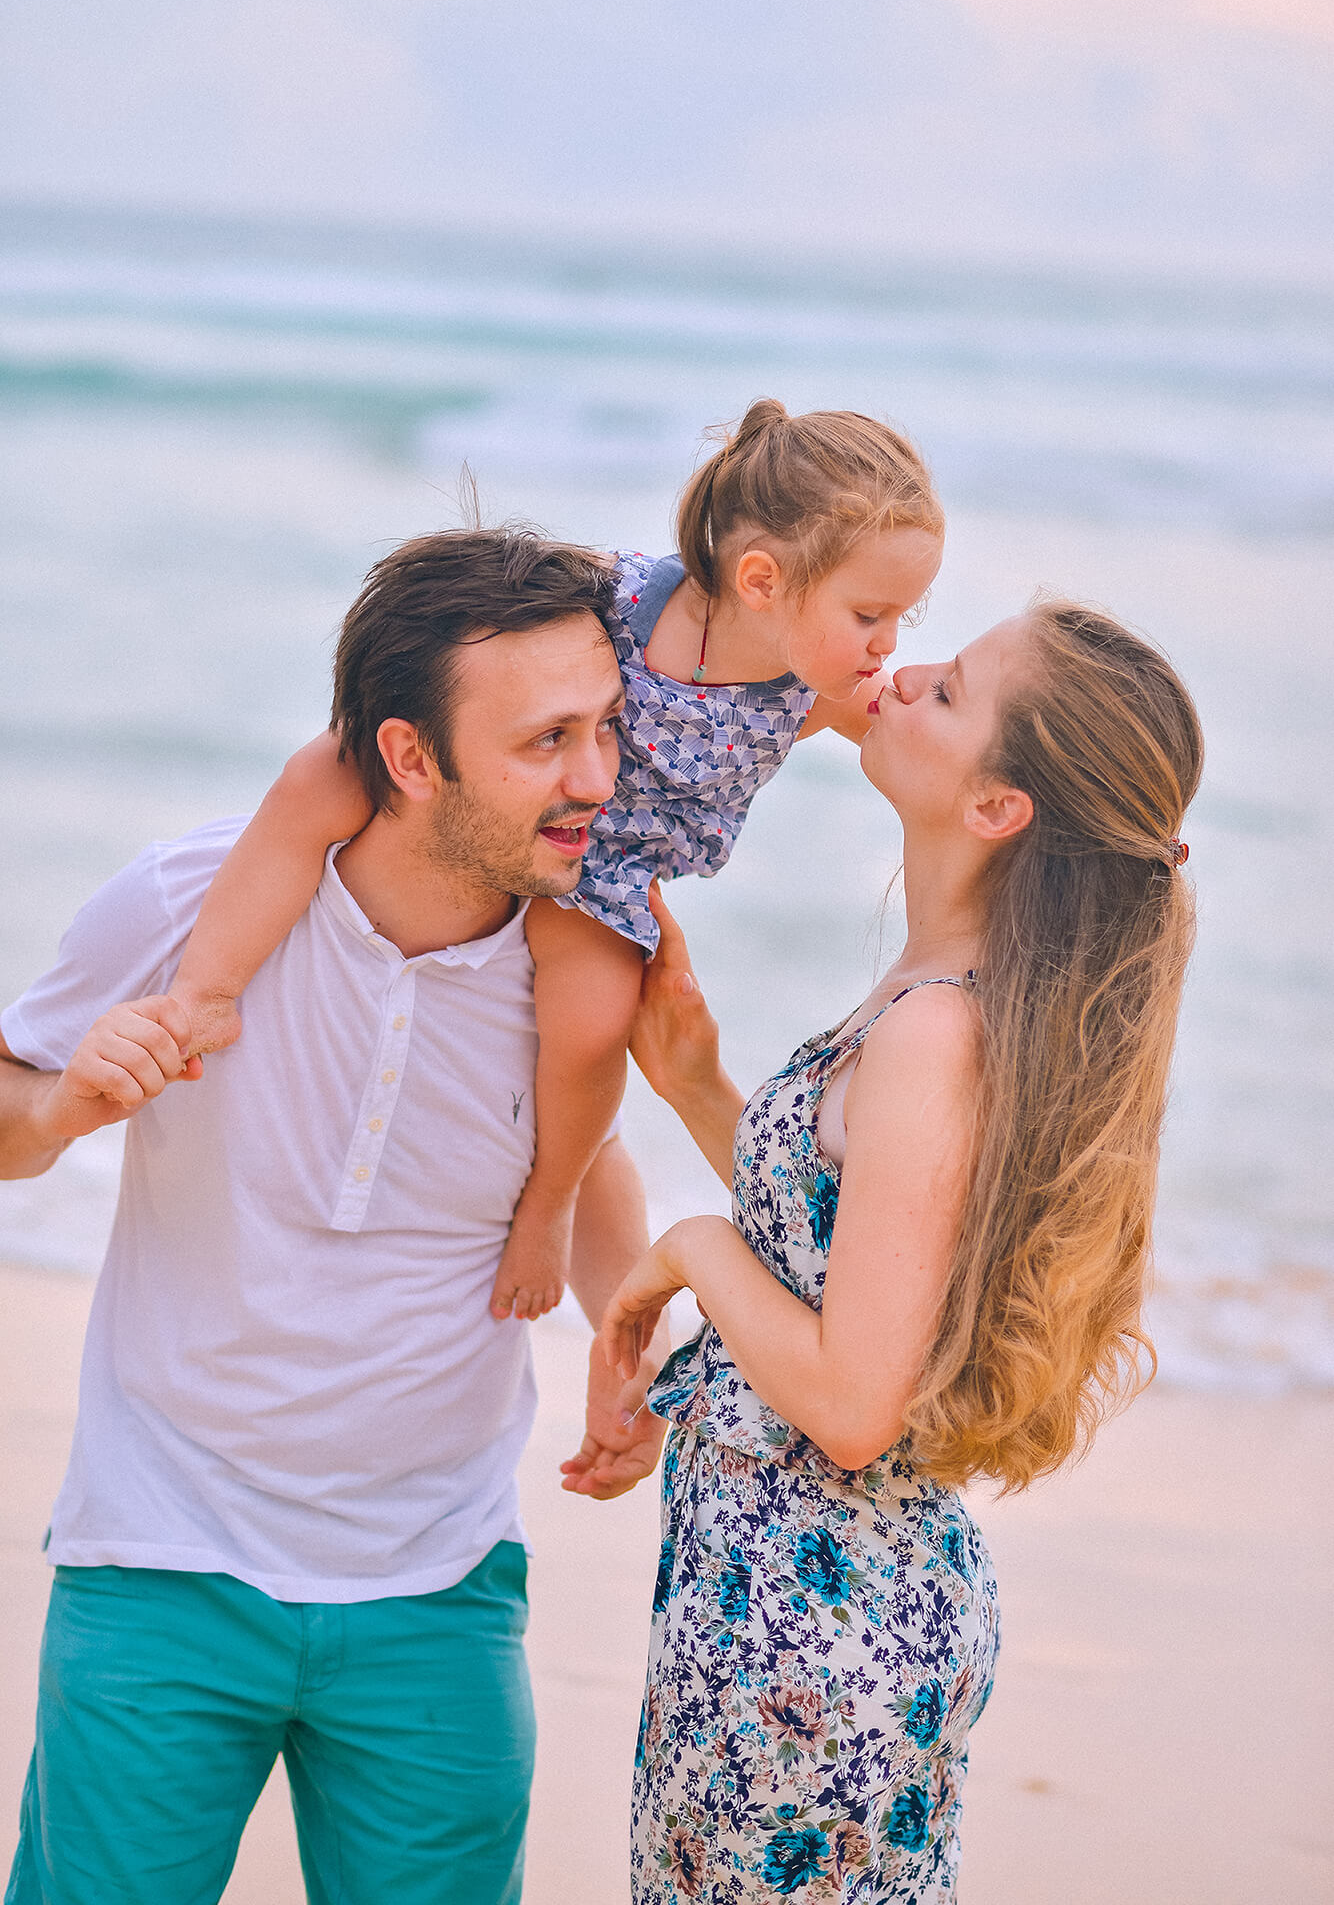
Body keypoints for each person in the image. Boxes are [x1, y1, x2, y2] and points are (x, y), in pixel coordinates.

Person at [0, 527, 669, 1905]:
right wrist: (69, 1106)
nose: (595, 782)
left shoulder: (578, 961)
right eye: (546, 741)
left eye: (606, 729)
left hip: (439, 1588)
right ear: (410, 758)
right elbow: (13, 1110)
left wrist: (629, 1342)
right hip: (160, 1560)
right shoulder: (192, 903)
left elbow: (583, 1149)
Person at [598, 600, 1203, 1902]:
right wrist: (703, 1089)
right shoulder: (945, 995)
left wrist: (691, 1247)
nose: (903, 673)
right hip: (817, 1614)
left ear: (997, 808)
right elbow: (855, 1260)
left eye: (949, 691)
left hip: (817, 1638)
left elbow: (852, 1404)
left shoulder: (936, 1031)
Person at [165, 400, 945, 1326]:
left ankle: (548, 1206)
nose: (887, 644)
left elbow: (912, 735)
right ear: (762, 580)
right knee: (322, 772)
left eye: (903, 616)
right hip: (508, 799)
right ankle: (205, 990)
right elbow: (495, 640)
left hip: (603, 878)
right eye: (870, 613)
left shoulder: (812, 688)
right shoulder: (616, 597)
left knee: (590, 1028)